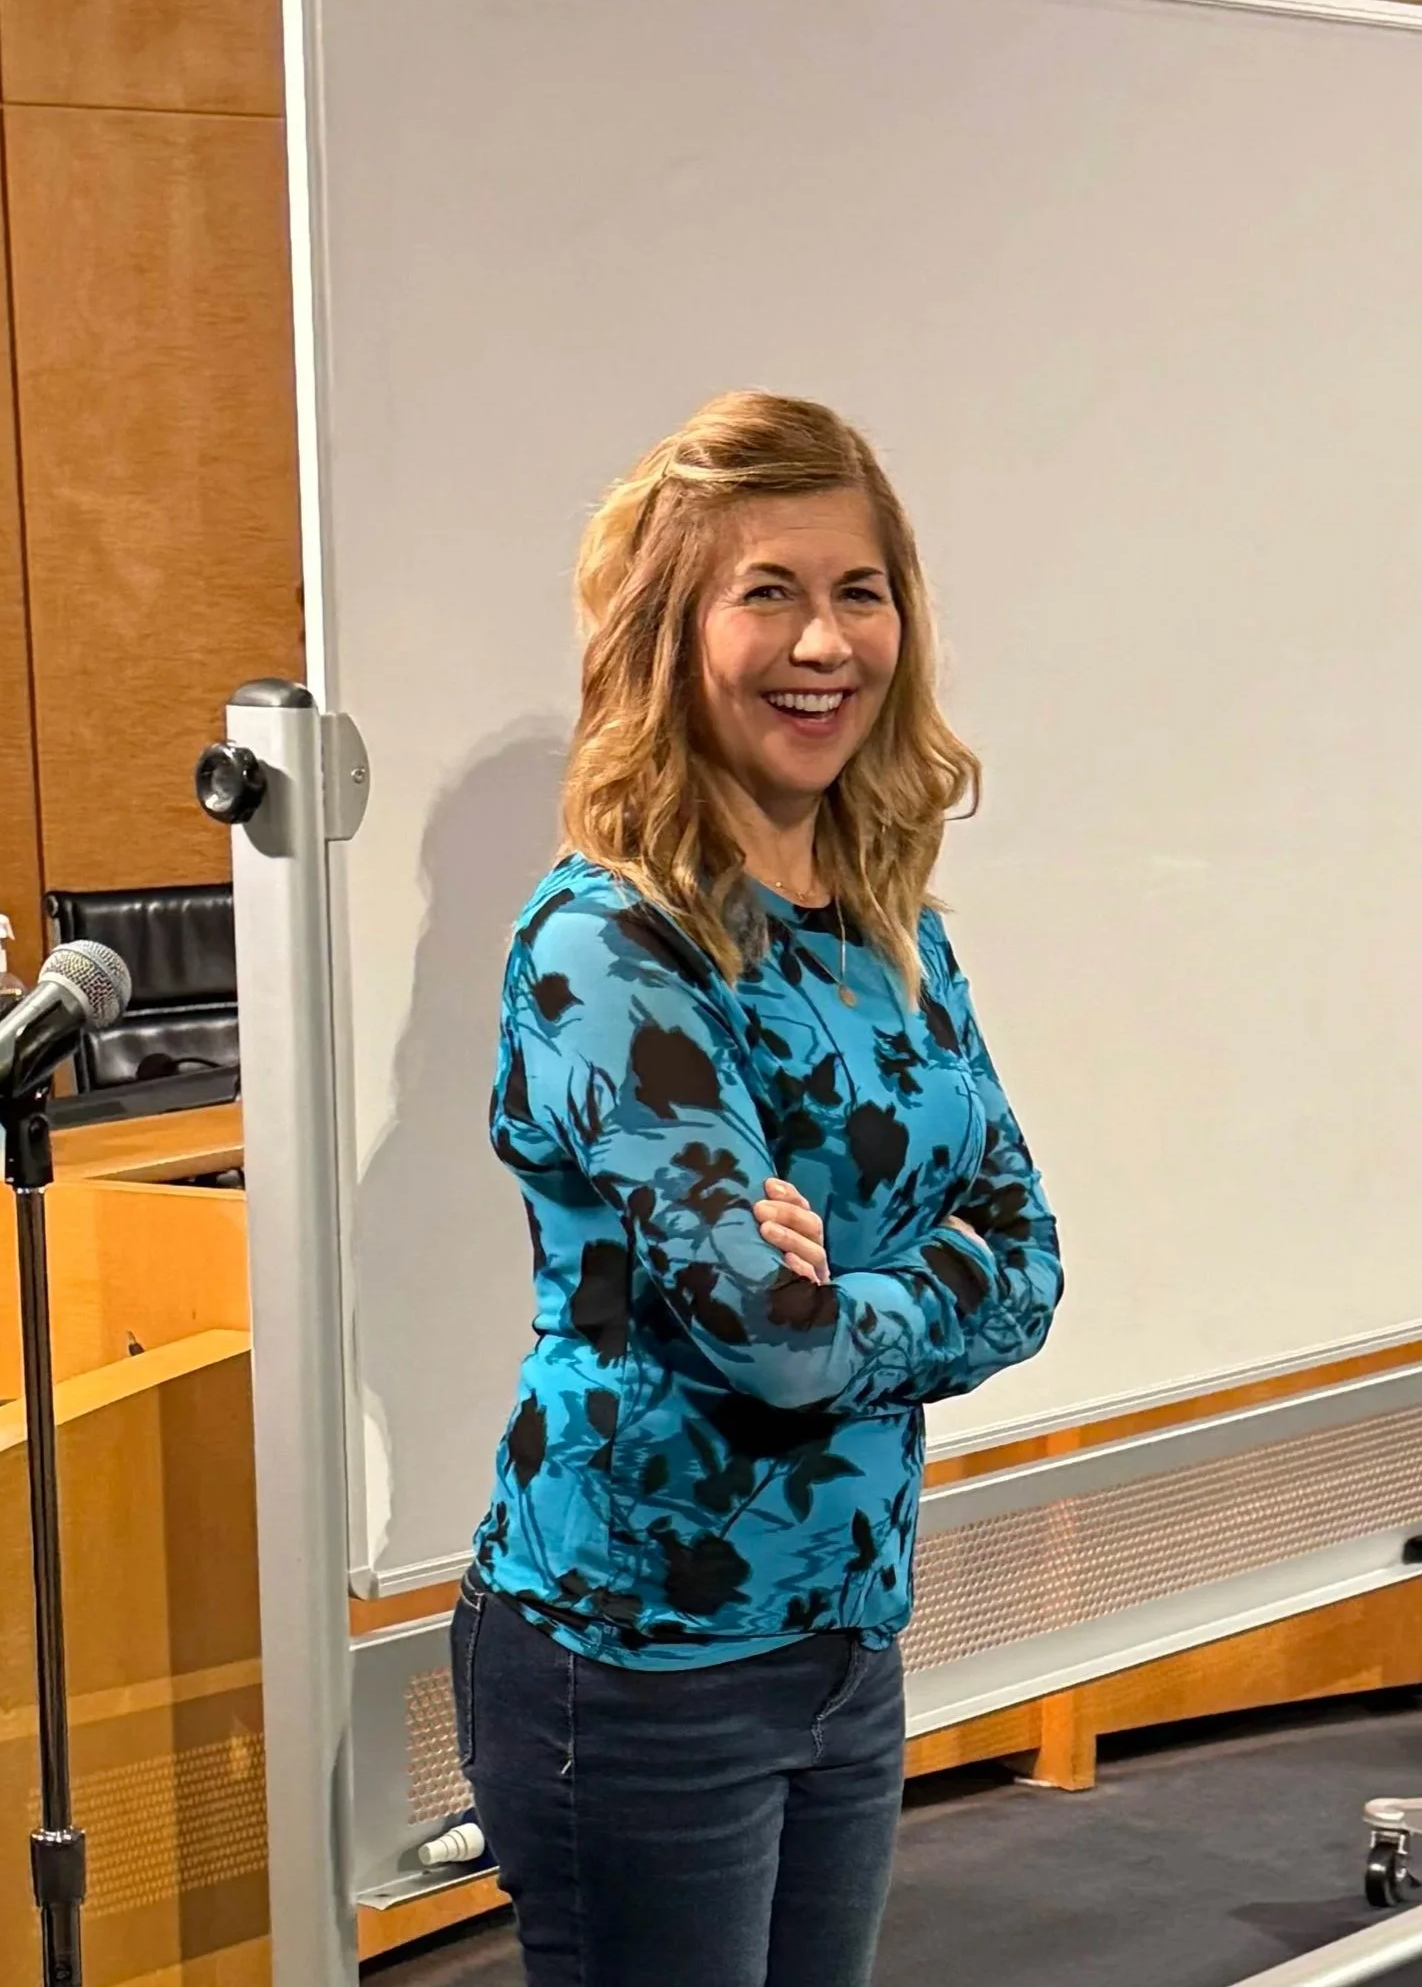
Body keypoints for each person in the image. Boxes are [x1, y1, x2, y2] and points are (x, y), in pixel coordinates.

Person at [452, 390, 1063, 1987]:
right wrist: (898, 1279)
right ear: (672, 634)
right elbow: (769, 1335)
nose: (825, 641)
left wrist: (841, 1276)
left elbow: (1030, 1254)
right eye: (767, 592)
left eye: (858, 591)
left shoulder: (888, 920)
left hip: (843, 1626)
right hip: (638, 1653)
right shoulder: (608, 944)